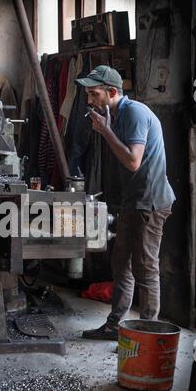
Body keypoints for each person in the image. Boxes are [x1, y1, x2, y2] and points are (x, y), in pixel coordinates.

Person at [75, 65, 176, 340]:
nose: (89, 101)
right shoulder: (114, 113)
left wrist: (106, 132)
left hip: (152, 201)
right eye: (87, 94)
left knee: (145, 266)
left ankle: (148, 333)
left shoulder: (133, 113)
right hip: (134, 199)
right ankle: (114, 326)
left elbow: (133, 161)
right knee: (121, 263)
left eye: (94, 94)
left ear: (112, 92)